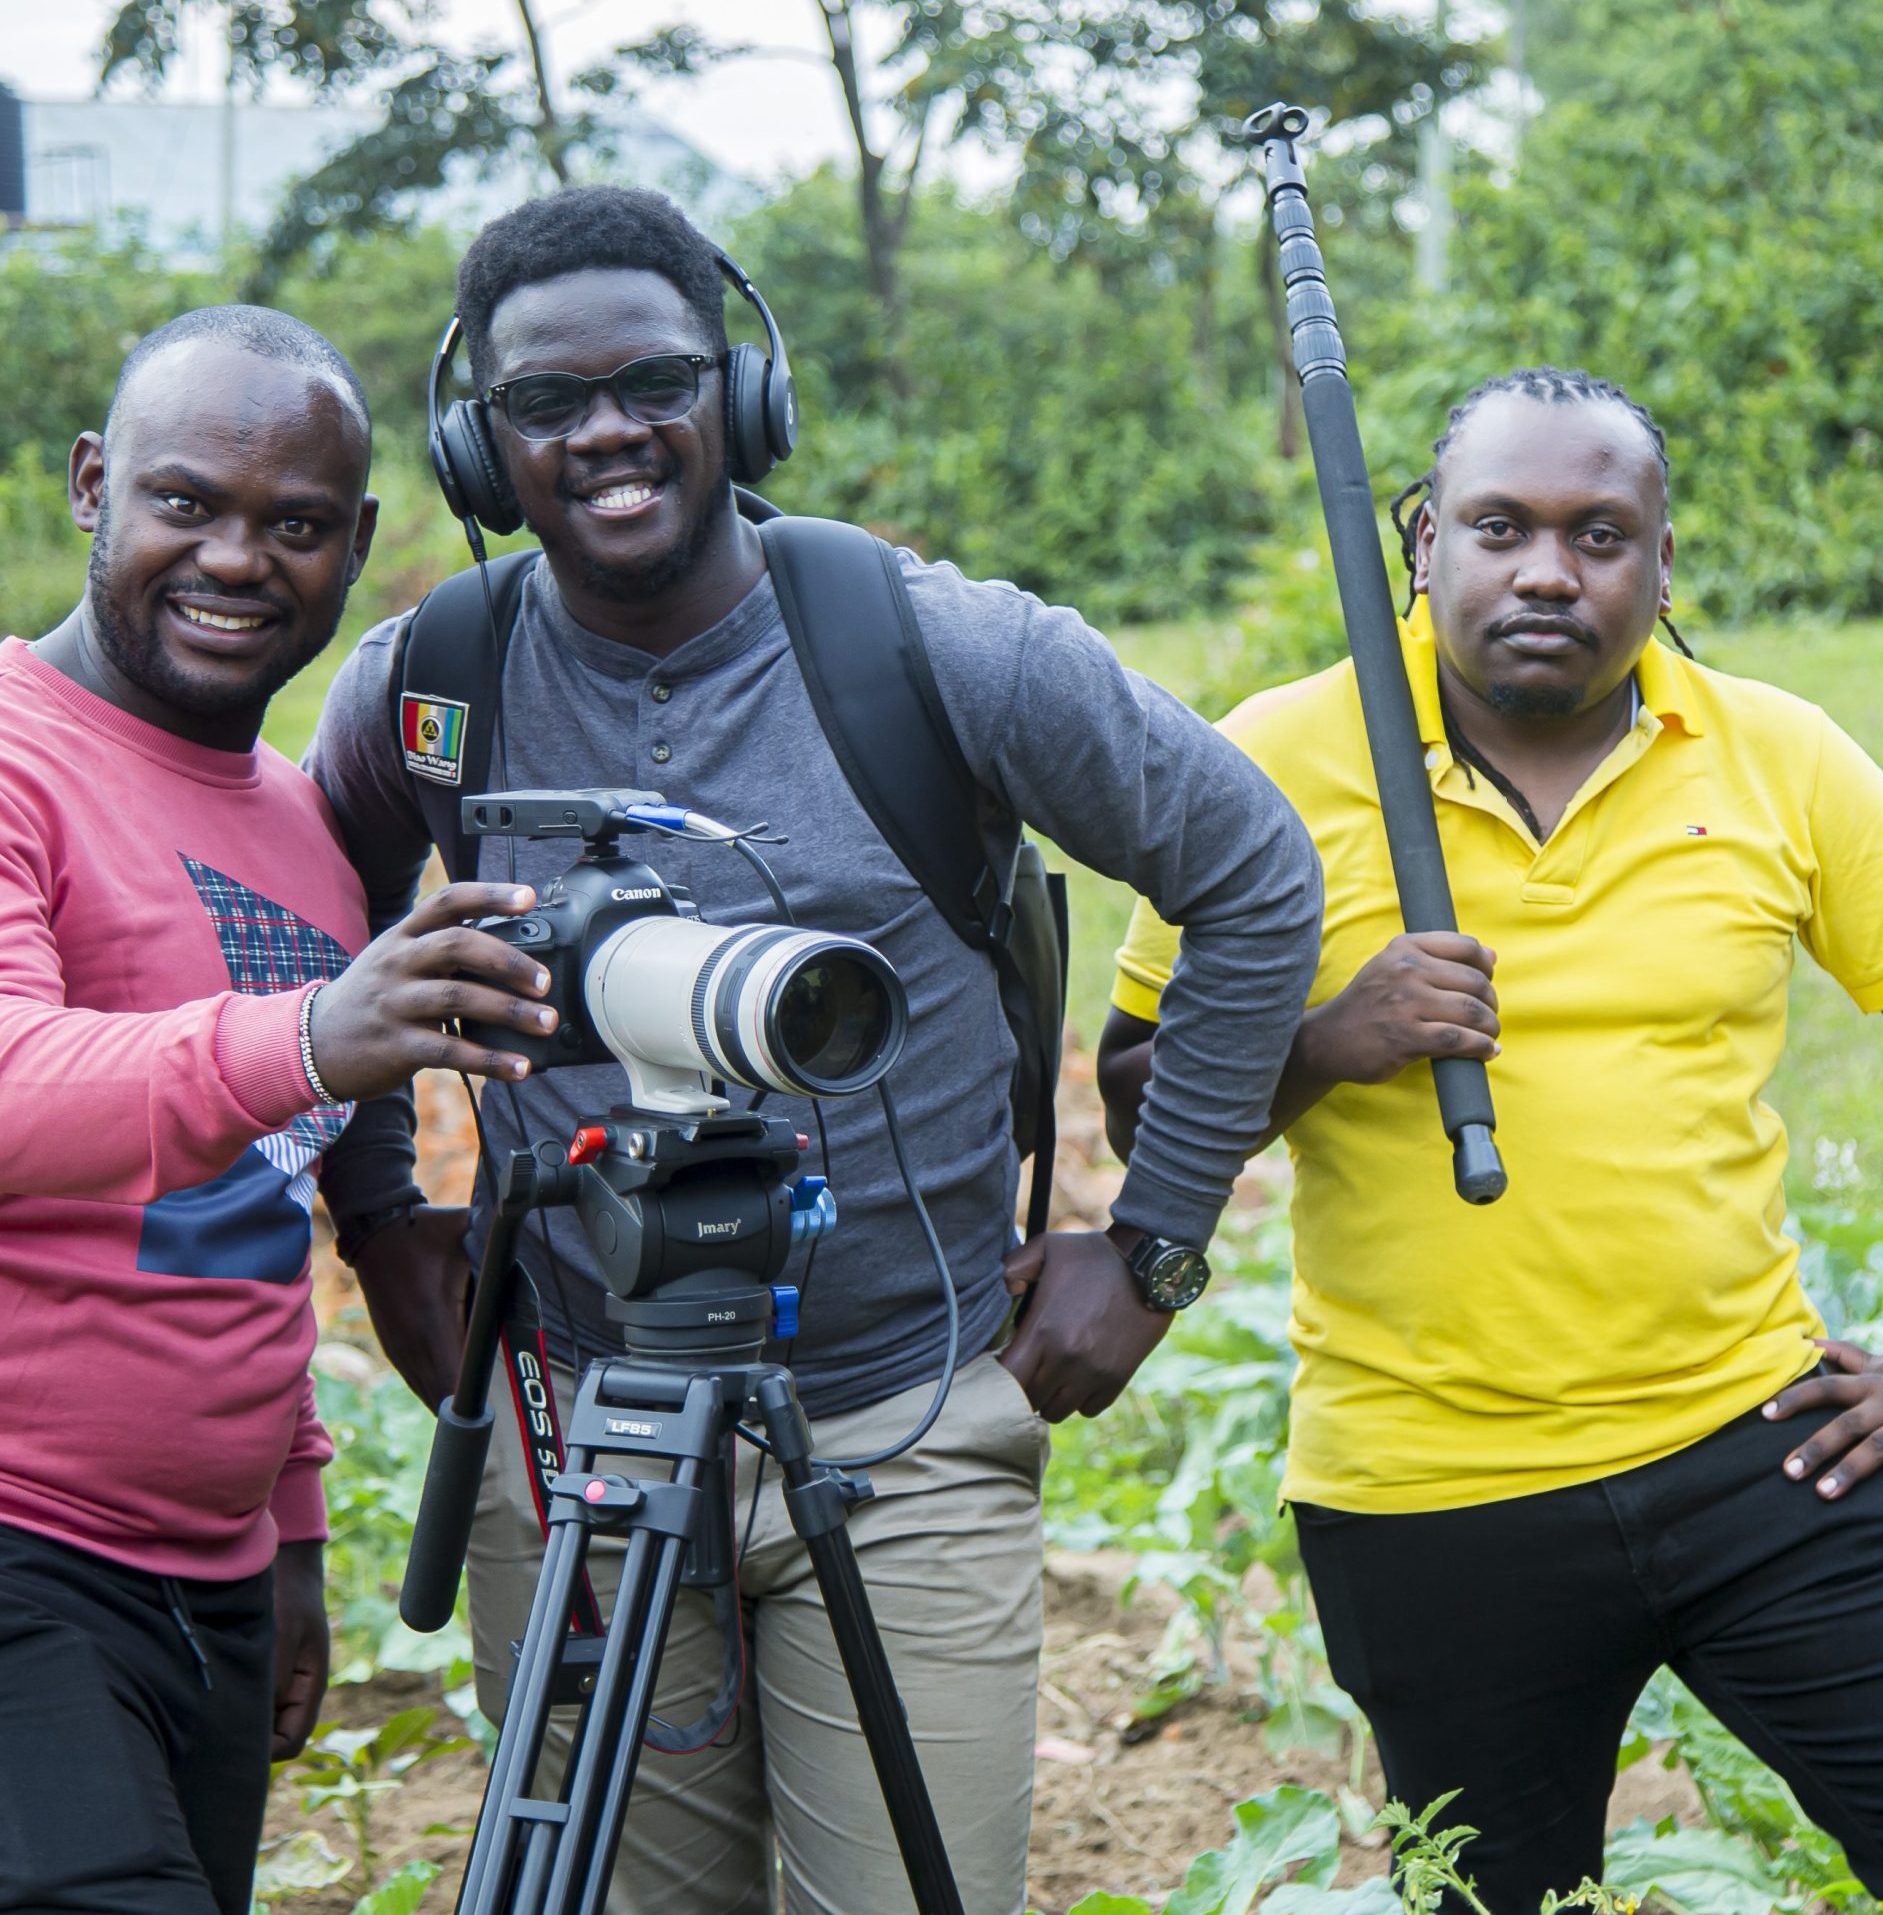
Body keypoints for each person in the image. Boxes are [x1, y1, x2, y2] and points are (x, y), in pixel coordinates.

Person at [305, 185, 1324, 1915]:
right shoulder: (432, 684)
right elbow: (315, 939)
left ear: (745, 393)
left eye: (658, 381)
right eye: (547, 402)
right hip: (573, 1427)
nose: (610, 431)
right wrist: (385, 1219)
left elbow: (1253, 871)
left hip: (903, 1422)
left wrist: (1153, 1249)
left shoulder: (938, 647)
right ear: (484, 446)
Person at [1100, 367, 1883, 1914]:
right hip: (1430, 1491)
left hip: (1760, 1438)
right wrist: (1327, 1042)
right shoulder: (1274, 762)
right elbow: (1133, 1100)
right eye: (1501, 527)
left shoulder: (1775, 754)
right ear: (1423, 544)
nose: (1548, 570)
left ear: (1662, 564)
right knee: (1500, 1898)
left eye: (1600, 534)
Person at [0, 306, 565, 1915]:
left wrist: (288, 1535)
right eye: (188, 503)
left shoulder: (310, 835)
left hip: (197, 1577)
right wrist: (315, 1033)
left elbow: (252, 1216)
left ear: (355, 543)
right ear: (94, 486)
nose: (237, 559)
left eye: (294, 524)